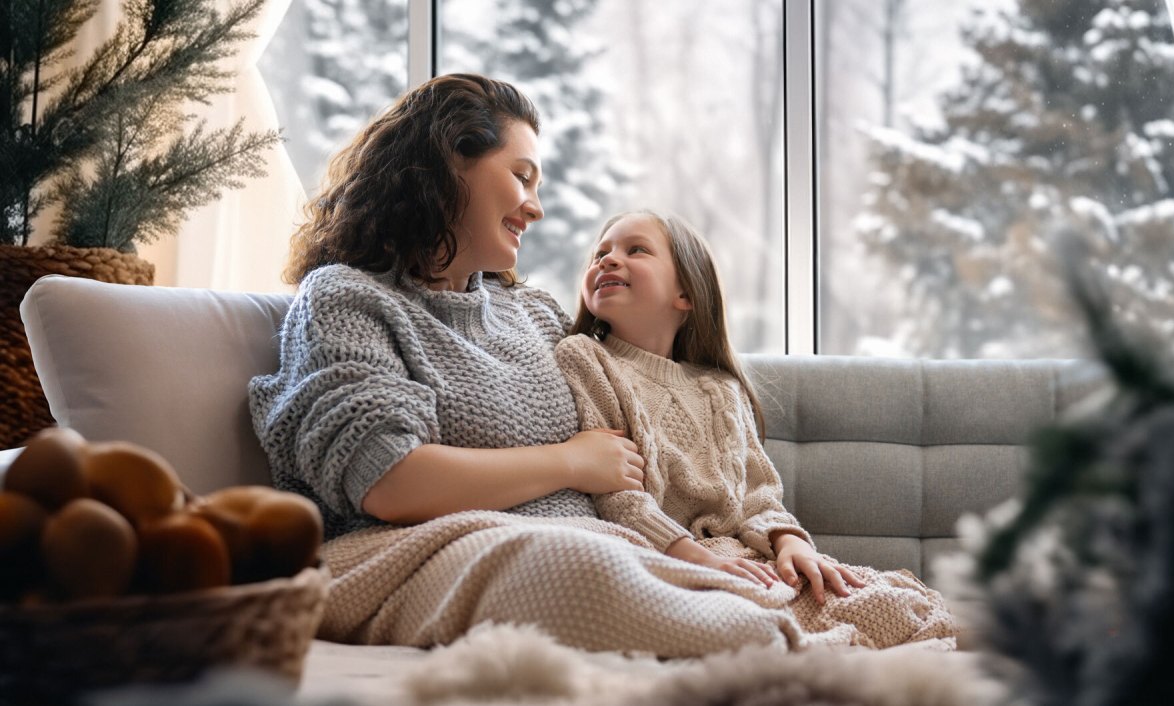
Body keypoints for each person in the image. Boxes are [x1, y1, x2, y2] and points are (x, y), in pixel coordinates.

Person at [249, 74, 812, 656]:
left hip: (588, 543)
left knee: (719, 579)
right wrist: (569, 461)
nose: (536, 208)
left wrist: (766, 533)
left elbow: (648, 417)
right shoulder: (346, 297)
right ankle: (765, 652)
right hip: (415, 552)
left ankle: (785, 637)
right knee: (581, 565)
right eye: (521, 177)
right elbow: (387, 481)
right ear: (446, 165)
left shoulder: (536, 315)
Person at [554, 209, 957, 649]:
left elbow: (758, 496)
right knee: (807, 620)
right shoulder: (585, 358)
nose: (607, 261)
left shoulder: (719, 389)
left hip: (744, 558)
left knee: (887, 600)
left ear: (686, 294)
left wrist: (791, 544)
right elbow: (618, 496)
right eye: (600, 253)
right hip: (664, 560)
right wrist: (693, 558)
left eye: (636, 250)